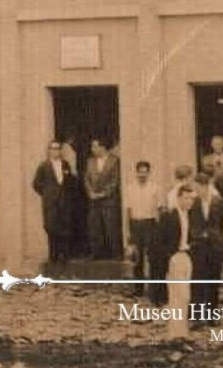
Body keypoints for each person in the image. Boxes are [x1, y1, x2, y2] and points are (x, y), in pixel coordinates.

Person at [32, 141, 79, 267]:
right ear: (49, 151)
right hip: (51, 203)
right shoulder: (43, 166)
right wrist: (48, 194)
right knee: (51, 228)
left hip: (64, 202)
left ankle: (64, 255)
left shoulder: (65, 164)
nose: (55, 151)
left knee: (65, 227)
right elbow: (36, 184)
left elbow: (71, 182)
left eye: (58, 149)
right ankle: (53, 255)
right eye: (53, 149)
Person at [158, 184, 196, 340]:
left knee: (185, 295)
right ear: (179, 198)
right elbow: (161, 240)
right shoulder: (170, 216)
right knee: (177, 295)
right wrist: (170, 256)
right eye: (186, 198)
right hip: (175, 256)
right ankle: (175, 333)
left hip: (186, 255)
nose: (189, 202)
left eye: (192, 199)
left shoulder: (189, 216)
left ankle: (183, 331)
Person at [189, 172, 223, 322]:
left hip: (214, 247)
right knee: (197, 281)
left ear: (206, 186)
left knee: (213, 281)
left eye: (198, 187)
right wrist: (197, 235)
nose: (196, 191)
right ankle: (197, 316)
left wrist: (217, 238)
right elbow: (191, 223)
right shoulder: (194, 202)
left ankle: (212, 316)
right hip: (198, 246)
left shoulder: (219, 202)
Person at [125, 160, 161, 300]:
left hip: (149, 223)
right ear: (136, 172)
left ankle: (153, 289)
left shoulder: (155, 188)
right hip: (136, 223)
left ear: (149, 173)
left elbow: (158, 209)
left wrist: (157, 228)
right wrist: (129, 230)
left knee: (152, 258)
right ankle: (138, 289)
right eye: (140, 171)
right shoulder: (130, 188)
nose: (142, 174)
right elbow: (128, 210)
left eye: (145, 172)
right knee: (137, 257)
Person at [84, 139, 121, 259]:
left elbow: (115, 181)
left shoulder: (114, 161)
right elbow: (86, 179)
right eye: (92, 147)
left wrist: (103, 194)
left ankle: (115, 254)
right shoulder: (90, 161)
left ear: (102, 147)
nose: (92, 149)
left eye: (95, 147)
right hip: (93, 200)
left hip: (109, 200)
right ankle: (96, 253)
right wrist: (90, 192)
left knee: (111, 227)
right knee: (95, 227)